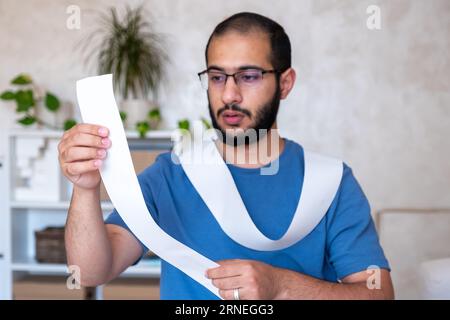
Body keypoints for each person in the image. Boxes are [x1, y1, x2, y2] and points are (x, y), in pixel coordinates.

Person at [59, 12, 394, 300]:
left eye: (248, 76)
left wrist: (282, 286)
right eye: (217, 77)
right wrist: (85, 188)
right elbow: (89, 272)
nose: (229, 94)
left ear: (285, 83)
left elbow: (377, 293)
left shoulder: (333, 182)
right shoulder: (170, 176)